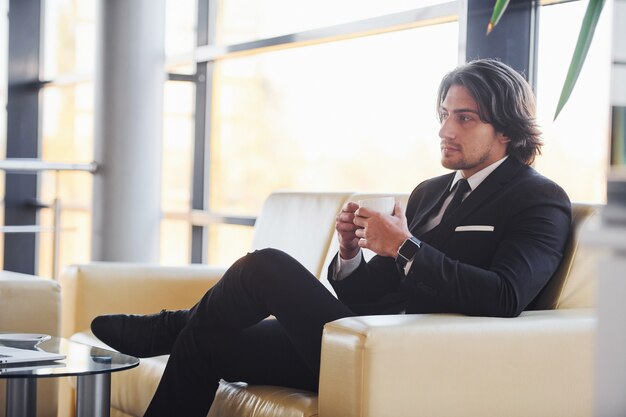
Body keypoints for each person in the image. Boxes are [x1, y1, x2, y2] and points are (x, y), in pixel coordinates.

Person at [91, 58, 572, 417]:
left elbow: (506, 296)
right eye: (444, 114)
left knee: (266, 265)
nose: (445, 129)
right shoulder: (430, 192)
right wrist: (351, 253)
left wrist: (405, 246)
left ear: (507, 131)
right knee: (206, 339)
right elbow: (367, 295)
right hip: (358, 341)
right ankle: (181, 329)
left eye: (464, 118)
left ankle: (166, 327)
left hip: (409, 357)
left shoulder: (539, 200)